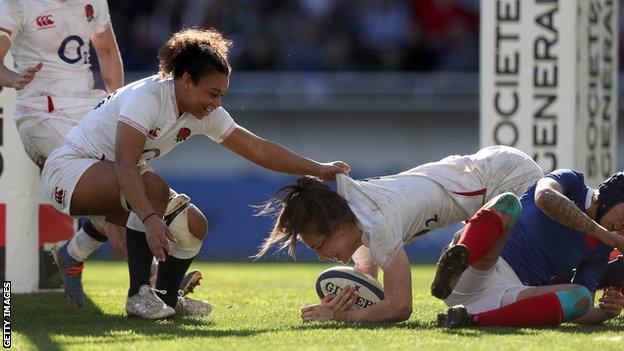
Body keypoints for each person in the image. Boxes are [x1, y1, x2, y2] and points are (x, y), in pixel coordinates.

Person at [41, 28, 350, 320]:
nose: (216, 104)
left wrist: (318, 168)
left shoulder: (203, 112)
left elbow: (258, 149)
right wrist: (149, 220)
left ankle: (167, 297)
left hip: (116, 178)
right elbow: (125, 164)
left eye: (222, 97)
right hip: (70, 172)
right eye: (213, 94)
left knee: (193, 226)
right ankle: (138, 296)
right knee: (153, 190)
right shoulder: (147, 97)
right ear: (186, 80)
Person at [256, 145, 549, 322]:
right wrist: (346, 300)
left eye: (319, 246)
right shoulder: (355, 209)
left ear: (335, 227)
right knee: (486, 279)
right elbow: (366, 277)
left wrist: (340, 316)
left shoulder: (377, 225)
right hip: (490, 167)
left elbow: (400, 307)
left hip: (506, 177)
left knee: (499, 286)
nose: (321, 257)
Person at [0, 0, 133, 307]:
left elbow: (108, 51)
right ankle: (152, 283)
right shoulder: (18, 3)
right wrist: (12, 78)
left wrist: (118, 107)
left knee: (132, 183)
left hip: (88, 107)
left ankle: (74, 253)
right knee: (117, 188)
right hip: (41, 113)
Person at [434, 169, 624, 328]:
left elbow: (581, 308)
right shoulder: (572, 182)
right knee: (507, 202)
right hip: (479, 266)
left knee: (581, 297)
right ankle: (454, 268)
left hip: (510, 297)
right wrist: (603, 234)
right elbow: (545, 198)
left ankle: (469, 320)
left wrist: (604, 313)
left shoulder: (601, 248)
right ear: (614, 195)